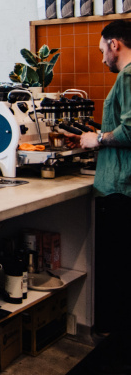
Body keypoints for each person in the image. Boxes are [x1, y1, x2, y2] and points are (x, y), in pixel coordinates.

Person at [65, 20, 131, 338]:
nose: (102, 57)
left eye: (102, 49)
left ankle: (115, 346)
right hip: (121, 186)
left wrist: (99, 139)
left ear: (114, 44)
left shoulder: (128, 75)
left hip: (120, 190)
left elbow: (130, 130)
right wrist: (91, 135)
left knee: (116, 273)